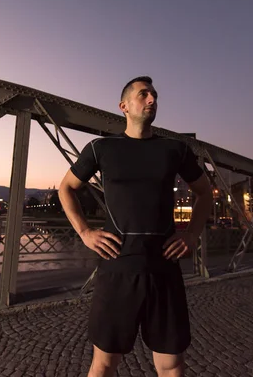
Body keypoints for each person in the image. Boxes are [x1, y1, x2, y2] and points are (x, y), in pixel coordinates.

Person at [58, 76, 213, 377]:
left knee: (171, 365)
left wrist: (192, 233)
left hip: (164, 269)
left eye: (154, 95)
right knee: (104, 363)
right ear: (124, 106)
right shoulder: (101, 148)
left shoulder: (175, 149)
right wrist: (85, 232)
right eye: (144, 95)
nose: (152, 100)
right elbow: (66, 187)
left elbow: (205, 191)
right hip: (118, 269)